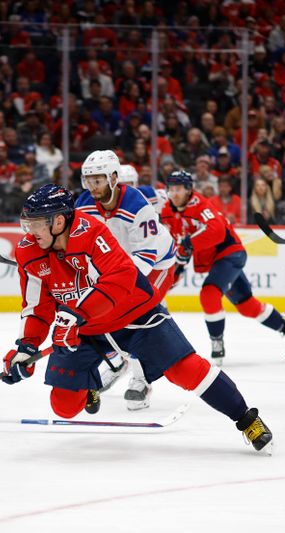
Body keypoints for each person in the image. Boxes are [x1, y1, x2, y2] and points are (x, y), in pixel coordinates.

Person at [3, 184, 273, 453]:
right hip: (83, 327)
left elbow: (122, 277)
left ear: (58, 221)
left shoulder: (92, 233)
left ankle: (246, 418)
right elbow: (36, 306)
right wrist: (26, 347)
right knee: (63, 405)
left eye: (36, 224)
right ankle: (88, 385)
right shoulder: (28, 251)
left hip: (133, 314)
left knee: (186, 370)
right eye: (28, 224)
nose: (30, 232)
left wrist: (76, 314)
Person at [160, 170, 285, 365]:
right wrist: (178, 268)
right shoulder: (167, 211)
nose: (174, 193)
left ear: (189, 190)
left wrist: (187, 245)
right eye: (170, 189)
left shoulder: (200, 206)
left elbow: (215, 232)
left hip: (231, 254)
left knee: (209, 294)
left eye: (179, 189)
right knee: (247, 306)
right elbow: (179, 244)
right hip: (217, 261)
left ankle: (217, 344)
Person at [75, 153, 176, 410]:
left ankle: (142, 380)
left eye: (98, 180)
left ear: (113, 178)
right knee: (98, 313)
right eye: (89, 180)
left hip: (157, 264)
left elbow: (145, 256)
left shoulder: (137, 204)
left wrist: (115, 286)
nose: (93, 186)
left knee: (137, 316)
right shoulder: (84, 204)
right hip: (119, 265)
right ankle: (115, 361)